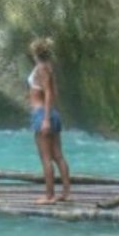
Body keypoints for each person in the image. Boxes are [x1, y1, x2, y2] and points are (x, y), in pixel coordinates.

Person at [27, 37, 71, 203]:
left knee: (46, 158)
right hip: (50, 113)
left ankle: (49, 195)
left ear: (35, 52)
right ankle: (66, 193)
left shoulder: (41, 68)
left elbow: (49, 93)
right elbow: (54, 92)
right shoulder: (48, 68)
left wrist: (45, 119)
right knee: (58, 156)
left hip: (42, 115)